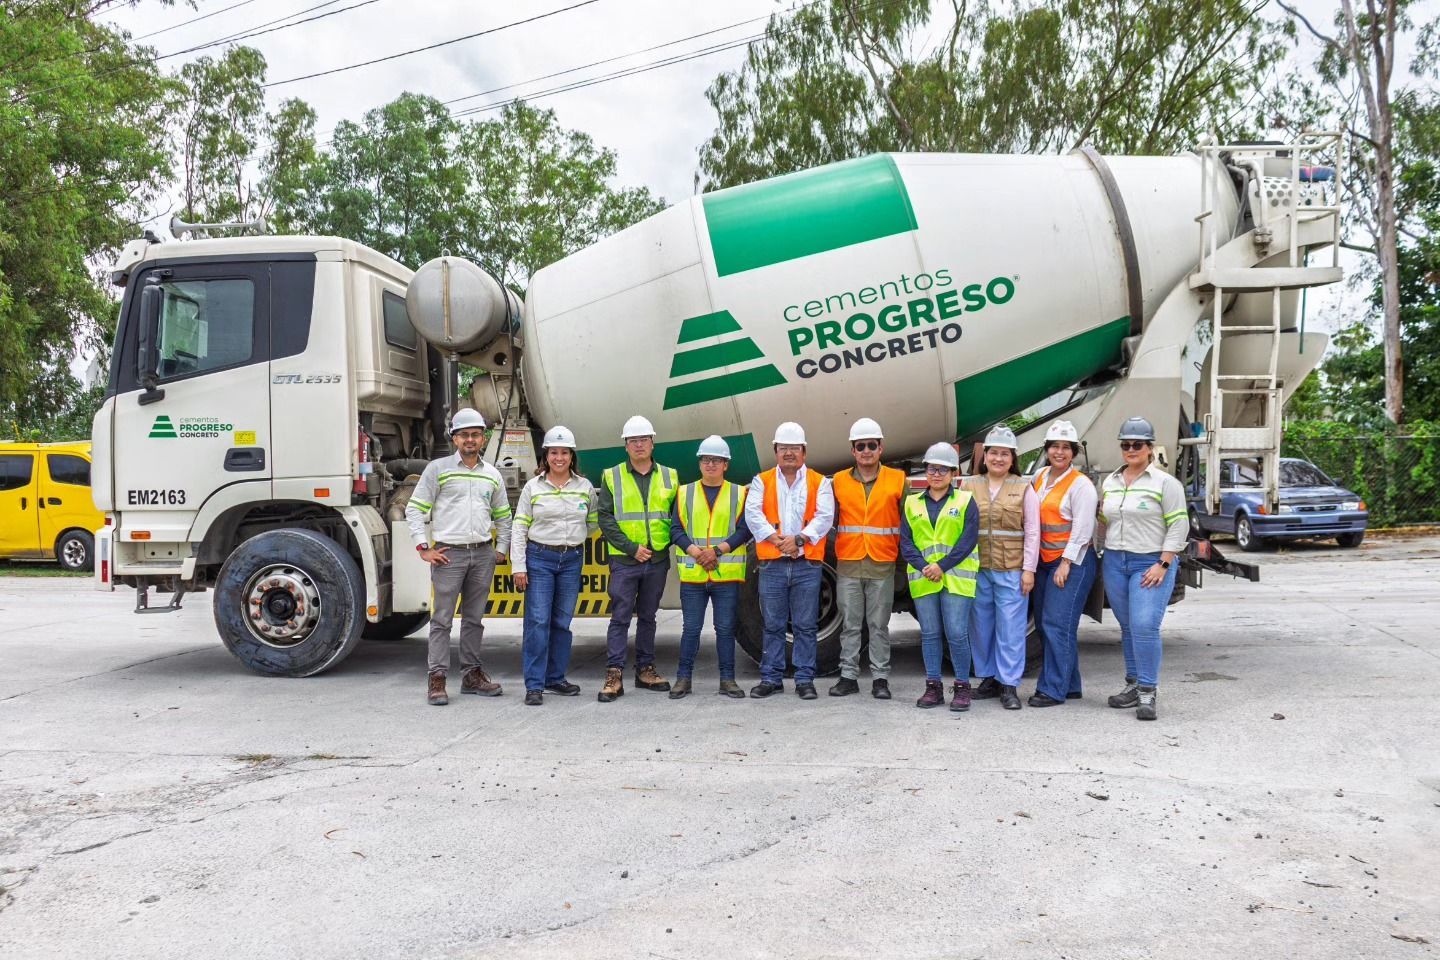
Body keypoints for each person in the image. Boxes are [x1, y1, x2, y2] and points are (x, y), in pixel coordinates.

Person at [405, 407, 512, 706]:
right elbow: (414, 508)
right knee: (441, 620)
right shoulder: (437, 469)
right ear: (454, 438)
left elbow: (504, 515)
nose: (470, 439)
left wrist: (500, 549)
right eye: (464, 434)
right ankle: (437, 679)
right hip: (448, 555)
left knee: (474, 619)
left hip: (481, 553)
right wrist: (423, 548)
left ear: (483, 438)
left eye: (475, 434)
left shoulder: (491, 475)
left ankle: (472, 676)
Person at [1098, 416, 1189, 721]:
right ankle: (1133, 684)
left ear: (1150, 448)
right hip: (1114, 561)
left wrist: (1164, 562)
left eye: (1137, 444)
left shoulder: (1165, 483)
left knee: (1144, 625)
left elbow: (1179, 524)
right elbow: (1104, 520)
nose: (1131, 449)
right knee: (1127, 627)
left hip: (1149, 562)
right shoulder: (1109, 482)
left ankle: (1148, 691)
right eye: (1126, 444)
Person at [744, 422, 835, 700]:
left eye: (794, 448)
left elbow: (824, 517)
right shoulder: (762, 481)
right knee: (772, 624)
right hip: (773, 564)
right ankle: (771, 678)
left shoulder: (820, 482)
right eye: (783, 448)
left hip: (806, 563)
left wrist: (797, 541)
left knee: (806, 624)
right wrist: (777, 541)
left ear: (804, 452)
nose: (789, 453)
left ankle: (804, 679)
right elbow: (753, 515)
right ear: (775, 451)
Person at [511, 425, 597, 706]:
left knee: (562, 622)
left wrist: (575, 538)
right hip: (540, 559)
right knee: (537, 622)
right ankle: (534, 685)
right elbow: (519, 527)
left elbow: (593, 522)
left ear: (572, 457)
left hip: (571, 560)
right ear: (545, 456)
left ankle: (555, 678)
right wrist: (519, 566)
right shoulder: (532, 487)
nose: (559, 458)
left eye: (564, 453)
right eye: (553, 453)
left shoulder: (584, 487)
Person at [596, 415, 678, 702]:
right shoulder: (612, 475)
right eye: (633, 440)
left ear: (653, 442)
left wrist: (659, 547)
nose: (639, 445)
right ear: (626, 446)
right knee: (619, 617)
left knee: (648, 617)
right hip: (625, 561)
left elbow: (676, 518)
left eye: (644, 439)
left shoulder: (670, 475)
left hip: (656, 561)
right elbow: (604, 517)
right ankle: (614, 674)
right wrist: (631, 548)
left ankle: (645, 669)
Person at [669, 435, 754, 699]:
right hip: (694, 575)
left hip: (725, 574)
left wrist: (716, 551)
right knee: (691, 630)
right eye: (706, 459)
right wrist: (696, 552)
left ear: (726, 464)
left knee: (726, 629)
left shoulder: (740, 493)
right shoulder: (684, 492)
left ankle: (727, 680)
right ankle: (684, 679)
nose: (711, 464)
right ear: (700, 463)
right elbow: (676, 529)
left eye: (716, 460)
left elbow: (745, 529)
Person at [962, 425, 1040, 711]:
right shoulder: (969, 485)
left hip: (1012, 570)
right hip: (978, 569)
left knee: (1010, 628)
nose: (998, 458)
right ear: (984, 456)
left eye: (1004, 454)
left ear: (1012, 457)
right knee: (981, 627)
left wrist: (1029, 569)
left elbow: (1032, 531)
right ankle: (988, 679)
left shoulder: (1023, 487)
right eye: (993, 452)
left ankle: (1009, 684)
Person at [828, 417, 905, 700]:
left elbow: (906, 525)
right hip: (849, 564)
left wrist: (901, 567)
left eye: (872, 445)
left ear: (881, 448)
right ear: (853, 450)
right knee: (850, 624)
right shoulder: (838, 481)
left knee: (879, 626)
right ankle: (848, 676)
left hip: (882, 564)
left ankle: (880, 679)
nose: (866, 451)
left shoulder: (898, 480)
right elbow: (829, 520)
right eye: (861, 446)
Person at [901, 442, 980, 710]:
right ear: (926, 471)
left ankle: (962, 688)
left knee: (957, 634)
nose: (937, 474)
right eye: (932, 469)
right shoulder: (912, 503)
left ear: (953, 473)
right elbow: (906, 542)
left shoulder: (965, 501)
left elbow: (967, 541)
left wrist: (941, 566)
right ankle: (933, 687)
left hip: (956, 577)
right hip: (925, 577)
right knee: (930, 634)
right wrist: (925, 566)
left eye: (943, 469)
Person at [1028, 420, 1099, 707]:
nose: (1059, 452)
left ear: (1074, 453)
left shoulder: (1081, 485)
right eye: (1055, 446)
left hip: (1072, 563)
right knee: (1046, 627)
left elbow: (1083, 529)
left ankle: (1052, 689)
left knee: (1058, 624)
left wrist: (1066, 563)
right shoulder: (1040, 477)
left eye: (1065, 448)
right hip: (1045, 561)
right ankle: (1070, 684)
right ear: (1047, 450)